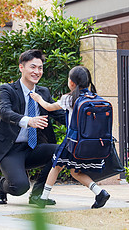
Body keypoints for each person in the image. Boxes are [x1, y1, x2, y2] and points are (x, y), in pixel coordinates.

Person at [0, 49, 65, 206]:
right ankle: (2, 185)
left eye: (40, 68)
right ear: (21, 67)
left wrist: (84, 120)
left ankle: (38, 195)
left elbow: (59, 115)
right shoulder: (7, 89)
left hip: (32, 148)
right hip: (10, 149)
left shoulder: (43, 92)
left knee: (60, 151)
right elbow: (5, 112)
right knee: (19, 187)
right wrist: (28, 121)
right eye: (33, 67)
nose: (37, 72)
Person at [29, 66, 110, 209]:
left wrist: (38, 98)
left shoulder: (69, 98)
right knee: (75, 171)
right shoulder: (94, 97)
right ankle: (100, 193)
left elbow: (48, 107)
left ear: (72, 83)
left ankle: (43, 198)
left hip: (72, 141)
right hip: (87, 142)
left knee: (56, 166)